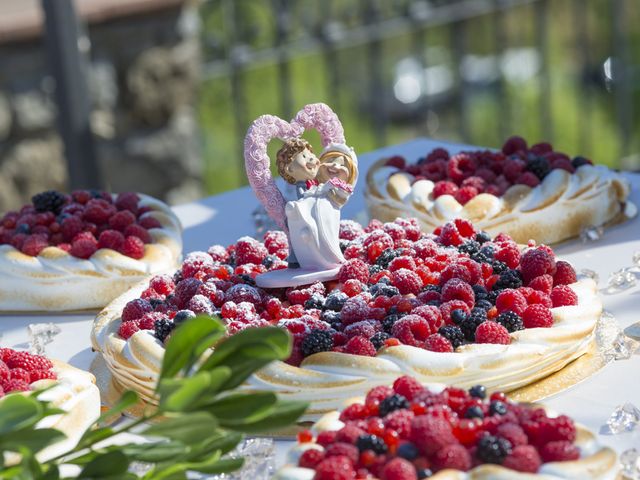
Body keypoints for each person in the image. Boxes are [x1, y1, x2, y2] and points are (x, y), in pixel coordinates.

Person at [285, 143, 358, 272]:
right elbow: (306, 196)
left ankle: (330, 260)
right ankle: (310, 260)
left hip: (328, 220)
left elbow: (340, 199)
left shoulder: (339, 191)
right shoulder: (312, 186)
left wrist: (332, 188)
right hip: (310, 222)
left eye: (343, 165)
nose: (335, 166)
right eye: (330, 161)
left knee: (327, 241)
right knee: (310, 238)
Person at [275, 138, 320, 267]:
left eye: (311, 154)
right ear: (289, 169)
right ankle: (298, 259)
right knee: (301, 242)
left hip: (311, 218)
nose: (311, 158)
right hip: (302, 219)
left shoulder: (314, 184)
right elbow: (305, 199)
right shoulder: (302, 187)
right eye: (304, 156)